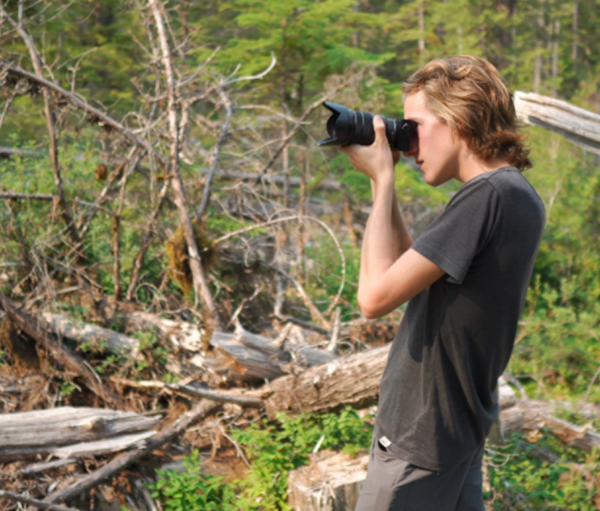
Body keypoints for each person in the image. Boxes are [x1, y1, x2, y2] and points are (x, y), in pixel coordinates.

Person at [341, 55, 546, 511]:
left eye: (415, 127)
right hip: (457, 433)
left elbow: (374, 298)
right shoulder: (514, 195)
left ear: (458, 119)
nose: (410, 143)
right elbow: (416, 270)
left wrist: (382, 175)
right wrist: (385, 187)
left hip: (419, 438)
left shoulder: (486, 197)